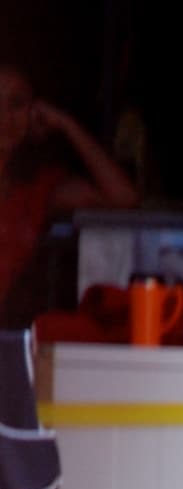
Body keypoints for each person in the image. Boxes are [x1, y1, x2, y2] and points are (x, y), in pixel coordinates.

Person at [0, 64, 137, 324]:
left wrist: (66, 124)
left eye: (16, 103)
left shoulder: (37, 189)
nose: (4, 116)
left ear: (33, 112)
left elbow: (123, 197)